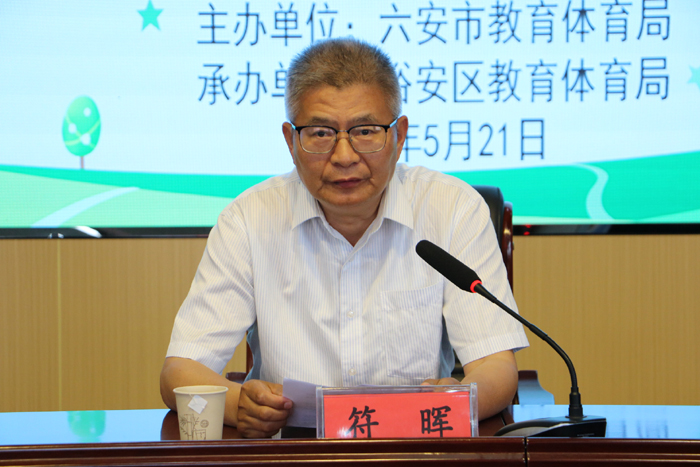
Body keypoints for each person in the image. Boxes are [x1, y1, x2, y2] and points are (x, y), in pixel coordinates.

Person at [160, 38, 529, 438]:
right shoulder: (249, 220)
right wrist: (240, 404)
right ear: (291, 141)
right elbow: (180, 371)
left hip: (415, 447)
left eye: (365, 131)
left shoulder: (453, 209)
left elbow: (495, 366)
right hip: (292, 453)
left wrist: (457, 398)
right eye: (320, 133)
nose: (344, 156)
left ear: (399, 135)